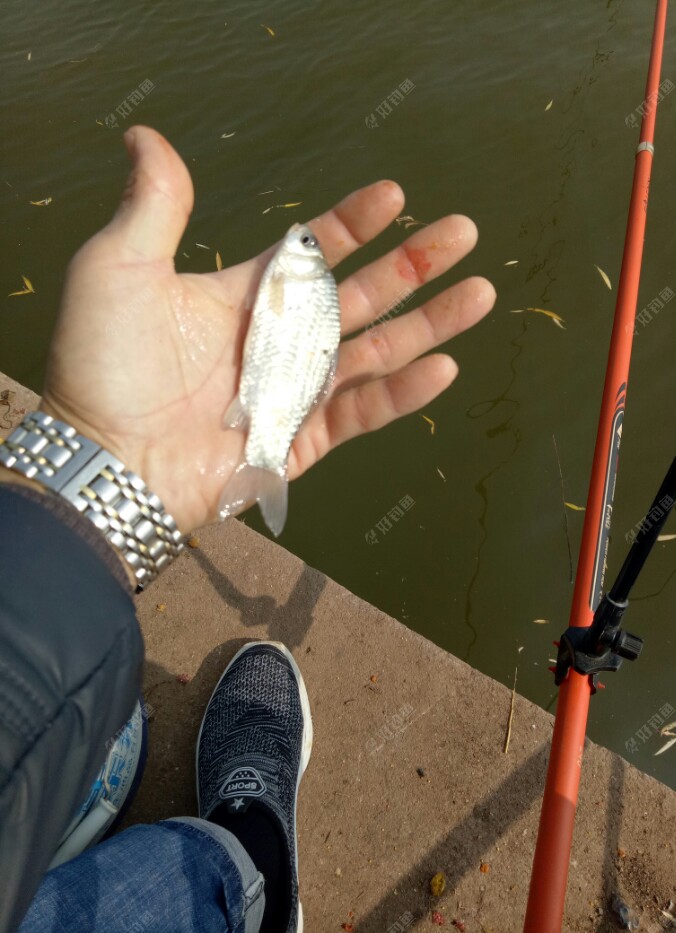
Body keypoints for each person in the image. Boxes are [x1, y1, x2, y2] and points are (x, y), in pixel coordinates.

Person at [0, 125, 495, 932]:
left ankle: (44, 771)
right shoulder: (296, 280)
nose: (298, 245)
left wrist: (92, 463)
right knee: (197, 876)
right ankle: (248, 855)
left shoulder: (291, 280)